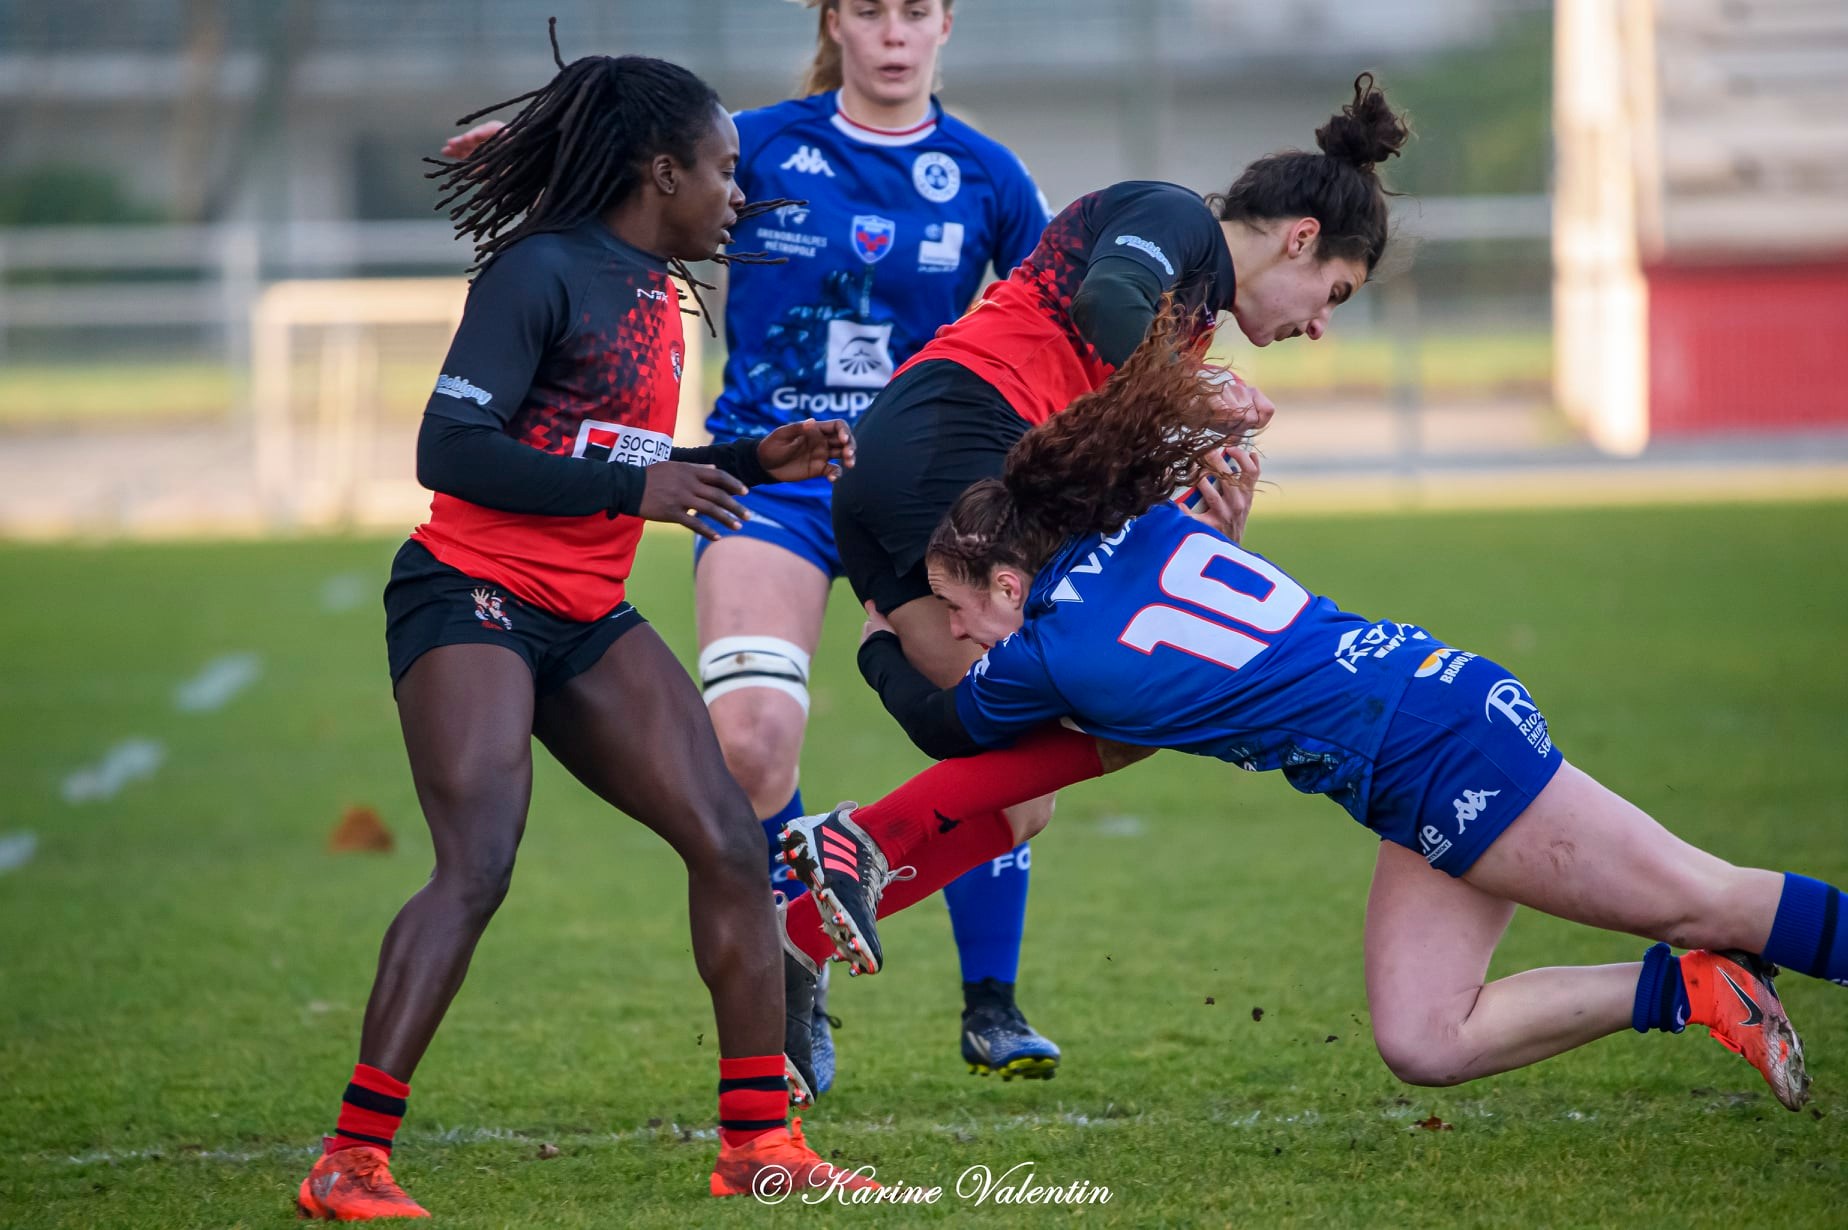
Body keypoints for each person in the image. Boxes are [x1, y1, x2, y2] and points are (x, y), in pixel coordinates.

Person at [782, 308, 1841, 1112]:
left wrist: (877, 640)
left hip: (1438, 750)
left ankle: (1730, 953)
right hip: (1425, 730)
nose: (956, 632)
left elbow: (952, 729)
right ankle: (1697, 994)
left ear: (1011, 582)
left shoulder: (1055, 658)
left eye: (959, 610)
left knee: (1709, 898)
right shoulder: (1143, 526)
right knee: (1426, 1039)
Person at [295, 33, 872, 1220]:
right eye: (724, 169)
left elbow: (608, 451)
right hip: (470, 596)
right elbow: (450, 450)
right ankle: (349, 1159)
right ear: (662, 173)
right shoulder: (538, 271)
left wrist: (748, 459)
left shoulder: (657, 289)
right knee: (479, 863)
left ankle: (757, 1144)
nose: (738, 192)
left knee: (731, 842)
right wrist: (636, 488)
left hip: (585, 612)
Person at [443, 0, 1063, 1097]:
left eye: (916, 10)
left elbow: (1065, 313)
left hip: (919, 495)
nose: (893, 32)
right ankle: (792, 975)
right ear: (835, 22)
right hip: (773, 481)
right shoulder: (760, 142)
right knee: (751, 741)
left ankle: (993, 1002)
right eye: (869, 9)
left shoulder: (991, 176)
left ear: (946, 25)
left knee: (1005, 750)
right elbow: (630, 157)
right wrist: (541, 147)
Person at [791, 72, 1405, 1079]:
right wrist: (1196, 389)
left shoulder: (1190, 319)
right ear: (1301, 238)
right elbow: (1105, 296)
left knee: (1007, 774)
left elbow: (1090, 479)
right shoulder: (1178, 225)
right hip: (951, 444)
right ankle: (857, 848)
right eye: (1334, 294)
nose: (1319, 323)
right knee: (1138, 698)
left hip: (914, 473)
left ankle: (798, 934)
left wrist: (1210, 524)